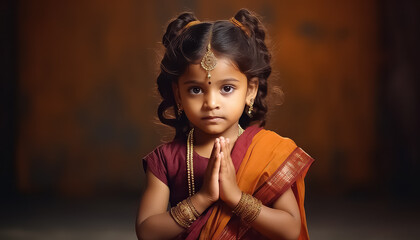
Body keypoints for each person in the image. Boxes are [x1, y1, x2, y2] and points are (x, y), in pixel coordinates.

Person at [136, 8, 314, 240]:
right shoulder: (164, 160)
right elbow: (147, 232)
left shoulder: (266, 153)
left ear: (250, 91)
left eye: (227, 88)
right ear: (178, 95)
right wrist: (203, 198)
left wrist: (236, 198)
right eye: (196, 90)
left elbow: (290, 229)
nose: (211, 103)